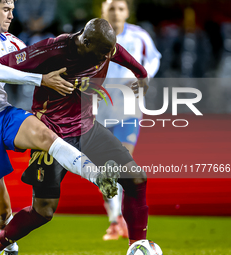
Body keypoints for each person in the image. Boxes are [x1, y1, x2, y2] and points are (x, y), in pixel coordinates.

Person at [0, 18, 150, 254]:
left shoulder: (104, 48)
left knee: (136, 178)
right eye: (100, 54)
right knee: (43, 211)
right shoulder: (50, 50)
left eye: (107, 54)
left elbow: (122, 55)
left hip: (88, 128)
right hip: (52, 135)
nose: (103, 59)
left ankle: (137, 245)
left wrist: (141, 73)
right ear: (85, 42)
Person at [96, 0, 161, 241]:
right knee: (105, 167)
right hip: (97, 108)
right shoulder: (93, 36)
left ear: (127, 12)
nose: (116, 13)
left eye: (120, 8)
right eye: (111, 8)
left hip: (128, 107)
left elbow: (154, 58)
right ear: (104, 11)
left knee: (122, 162)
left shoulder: (139, 35)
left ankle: (119, 221)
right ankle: (115, 219)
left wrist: (145, 76)